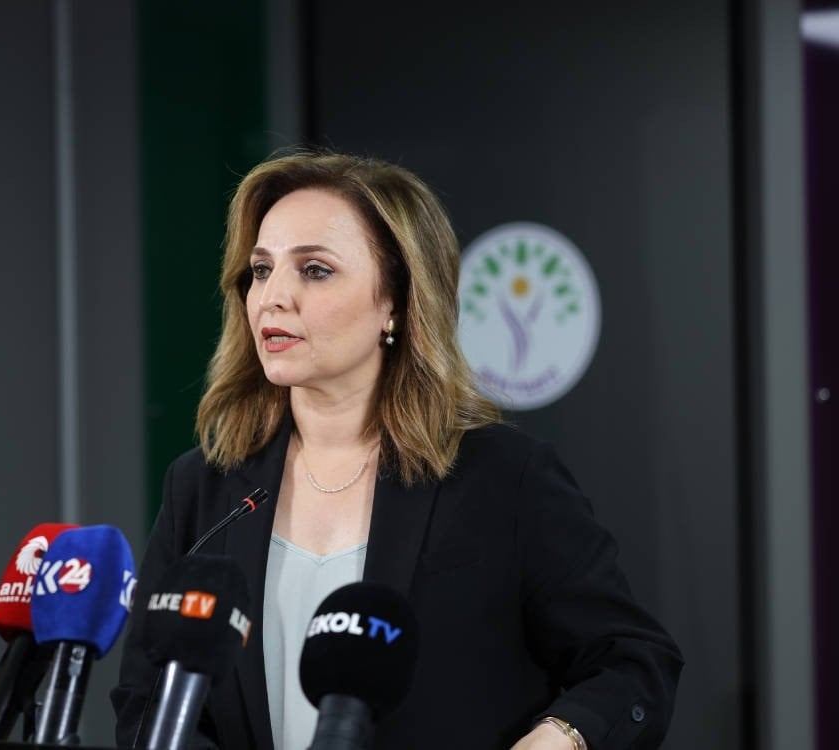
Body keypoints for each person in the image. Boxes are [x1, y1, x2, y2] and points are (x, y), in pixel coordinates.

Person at [112, 151, 682, 749]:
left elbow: (632, 664)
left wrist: (558, 739)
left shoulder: (505, 479)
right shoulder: (203, 489)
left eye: (315, 270)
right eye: (260, 269)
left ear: (397, 301)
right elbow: (144, 702)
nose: (272, 297)